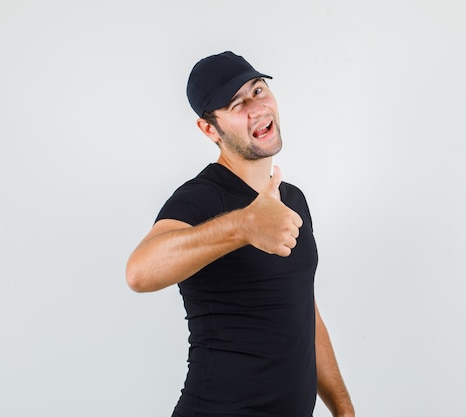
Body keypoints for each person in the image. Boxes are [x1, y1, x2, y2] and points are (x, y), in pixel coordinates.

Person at [126, 51, 355, 417]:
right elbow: (139, 272)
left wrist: (344, 410)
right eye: (236, 104)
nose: (256, 108)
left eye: (258, 90)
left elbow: (301, 310)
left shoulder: (291, 198)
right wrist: (242, 225)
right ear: (209, 129)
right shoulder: (200, 198)